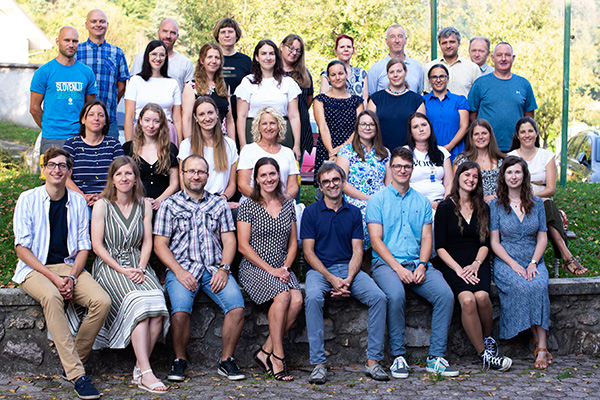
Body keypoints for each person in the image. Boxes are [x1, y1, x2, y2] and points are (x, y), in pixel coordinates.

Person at [13, 146, 110, 400]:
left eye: (62, 166)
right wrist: (55, 279)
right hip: (35, 269)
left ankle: (73, 359)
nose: (57, 170)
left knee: (101, 301)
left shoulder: (77, 201)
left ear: (69, 171)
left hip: (69, 267)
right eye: (52, 165)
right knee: (52, 296)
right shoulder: (28, 199)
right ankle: (78, 375)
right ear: (44, 169)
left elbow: (84, 247)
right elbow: (21, 248)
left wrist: (72, 277)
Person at [154, 154, 246, 381]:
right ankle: (179, 360)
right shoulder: (169, 204)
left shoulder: (219, 204)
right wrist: (179, 271)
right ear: (183, 174)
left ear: (207, 175)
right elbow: (160, 245)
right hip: (182, 269)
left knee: (236, 308)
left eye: (201, 172)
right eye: (191, 171)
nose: (196, 176)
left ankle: (226, 361)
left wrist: (224, 269)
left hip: (214, 268)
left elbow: (230, 241)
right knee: (180, 311)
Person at [366, 147, 456, 378]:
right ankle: (398, 356)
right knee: (396, 295)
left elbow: (427, 238)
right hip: (387, 265)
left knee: (445, 295)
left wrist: (423, 265)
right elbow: (375, 240)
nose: (402, 170)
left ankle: (436, 358)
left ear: (412, 169)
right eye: (397, 166)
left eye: (407, 166)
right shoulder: (377, 200)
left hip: (417, 263)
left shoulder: (422, 201)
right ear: (390, 168)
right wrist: (397, 268)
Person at [301, 163, 389, 384]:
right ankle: (318, 365)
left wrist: (348, 279)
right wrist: (331, 279)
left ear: (342, 182)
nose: (332, 185)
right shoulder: (311, 212)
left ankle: (373, 362)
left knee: (378, 298)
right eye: (326, 181)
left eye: (335, 180)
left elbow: (357, 251)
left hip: (349, 269)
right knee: (313, 298)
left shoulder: (353, 212)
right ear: (320, 186)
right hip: (320, 271)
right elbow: (308, 253)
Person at [90, 157, 170, 394]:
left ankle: (139, 368)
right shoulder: (102, 205)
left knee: (157, 305)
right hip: (110, 265)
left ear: (136, 179)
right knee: (139, 303)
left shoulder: (144, 205)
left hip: (138, 263)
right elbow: (97, 246)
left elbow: (147, 242)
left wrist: (141, 267)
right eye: (119, 174)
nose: (124, 178)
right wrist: (122, 269)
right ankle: (147, 372)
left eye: (128, 174)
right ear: (112, 179)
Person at [433, 161, 512, 371]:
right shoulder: (445, 207)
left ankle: (488, 338)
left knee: (482, 297)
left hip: (477, 261)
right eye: (467, 175)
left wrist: (476, 265)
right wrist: (459, 269)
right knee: (468, 300)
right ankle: (484, 355)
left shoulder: (483, 208)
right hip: (452, 263)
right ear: (458, 177)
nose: (471, 179)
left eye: (475, 176)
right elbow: (440, 247)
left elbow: (485, 243)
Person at [237, 157, 303, 381]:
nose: (268, 179)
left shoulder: (287, 204)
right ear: (256, 179)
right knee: (283, 296)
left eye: (272, 174)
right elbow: (243, 246)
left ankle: (264, 351)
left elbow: (293, 244)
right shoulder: (248, 205)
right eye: (263, 175)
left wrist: (285, 267)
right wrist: (271, 270)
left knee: (297, 300)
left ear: (279, 175)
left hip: (281, 266)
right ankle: (278, 356)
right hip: (255, 266)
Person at [489, 156, 552, 370]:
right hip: (507, 261)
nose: (513, 176)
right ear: (503, 176)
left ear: (524, 175)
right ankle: (538, 342)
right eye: (509, 172)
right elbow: (494, 242)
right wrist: (513, 265)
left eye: (517, 172)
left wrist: (533, 263)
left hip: (533, 258)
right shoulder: (496, 205)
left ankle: (541, 346)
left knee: (538, 286)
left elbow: (542, 238)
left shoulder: (537, 203)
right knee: (523, 286)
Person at [508, 117, 588, 276]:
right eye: (523, 132)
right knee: (546, 206)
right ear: (517, 135)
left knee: (546, 205)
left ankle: (566, 256)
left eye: (530, 131)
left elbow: (550, 190)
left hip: (541, 198)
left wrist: (532, 196)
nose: (527, 135)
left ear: (536, 133)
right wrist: (528, 192)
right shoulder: (511, 156)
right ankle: (567, 257)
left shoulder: (546, 156)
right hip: (517, 199)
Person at [30, 26, 97, 153]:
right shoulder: (44, 72)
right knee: (52, 167)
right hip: (52, 138)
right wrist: (49, 128)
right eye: (67, 40)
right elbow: (34, 108)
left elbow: (90, 108)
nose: (71, 45)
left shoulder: (87, 73)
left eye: (75, 41)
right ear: (57, 41)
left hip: (80, 137)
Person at [235, 39, 302, 160]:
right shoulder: (247, 82)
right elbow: (241, 116)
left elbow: (294, 116)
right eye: (263, 53)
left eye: (271, 53)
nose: (268, 57)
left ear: (276, 57)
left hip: (282, 135)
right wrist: (243, 145)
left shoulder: (288, 83)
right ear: (257, 57)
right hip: (253, 134)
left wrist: (296, 145)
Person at [468, 42, 537, 152]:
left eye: (507, 55)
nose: (503, 59)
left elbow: (529, 117)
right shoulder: (480, 84)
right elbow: (472, 115)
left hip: (516, 149)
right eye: (499, 55)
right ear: (492, 58)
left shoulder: (524, 84)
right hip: (487, 149)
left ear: (513, 58)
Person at [336, 110, 390, 250]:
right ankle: (361, 256)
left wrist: (382, 200)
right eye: (363, 124)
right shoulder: (346, 151)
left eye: (371, 124)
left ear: (376, 128)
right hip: (355, 199)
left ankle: (381, 258)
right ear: (357, 127)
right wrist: (367, 198)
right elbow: (342, 182)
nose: (367, 127)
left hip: (381, 200)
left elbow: (390, 184)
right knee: (363, 215)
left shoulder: (385, 152)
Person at [77, 9, 129, 139]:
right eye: (93, 21)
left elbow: (121, 87)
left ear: (107, 25)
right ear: (86, 25)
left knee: (110, 152)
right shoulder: (77, 52)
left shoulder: (117, 53)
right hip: (80, 121)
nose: (98, 24)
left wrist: (106, 108)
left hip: (109, 121)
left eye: (102, 21)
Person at [179, 96, 239, 207]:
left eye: (210, 113)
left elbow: (232, 185)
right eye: (201, 114)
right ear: (195, 117)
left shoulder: (229, 145)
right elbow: (183, 182)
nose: (207, 118)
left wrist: (221, 200)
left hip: (220, 201)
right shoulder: (187, 145)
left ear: (217, 113)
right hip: (194, 203)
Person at [64, 100, 124, 208]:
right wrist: (83, 197)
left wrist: (102, 196)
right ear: (83, 120)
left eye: (100, 115)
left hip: (108, 200)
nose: (96, 118)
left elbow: (121, 175)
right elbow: (64, 176)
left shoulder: (114, 144)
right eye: (91, 115)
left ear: (105, 121)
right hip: (77, 200)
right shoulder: (72, 144)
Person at [314, 61, 364, 189]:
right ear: (328, 78)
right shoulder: (320, 100)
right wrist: (331, 152)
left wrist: (339, 150)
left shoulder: (356, 101)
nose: (337, 77)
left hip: (351, 148)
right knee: (326, 187)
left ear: (346, 75)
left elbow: (359, 129)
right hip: (326, 147)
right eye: (333, 75)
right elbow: (323, 127)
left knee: (349, 186)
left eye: (340, 73)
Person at [122, 103, 179, 213]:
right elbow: (124, 181)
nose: (151, 126)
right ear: (140, 121)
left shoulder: (170, 149)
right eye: (147, 120)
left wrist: (158, 201)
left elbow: (174, 183)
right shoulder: (128, 148)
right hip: (135, 204)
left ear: (161, 123)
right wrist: (140, 200)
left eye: (156, 121)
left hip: (164, 205)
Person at [124, 40, 182, 145]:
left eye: (162, 55)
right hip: (141, 132)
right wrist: (128, 145)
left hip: (166, 133)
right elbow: (129, 116)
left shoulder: (173, 83)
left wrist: (180, 147)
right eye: (154, 54)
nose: (158, 58)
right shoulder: (136, 81)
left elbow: (177, 119)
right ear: (147, 56)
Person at [237, 106, 299, 200]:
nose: (268, 128)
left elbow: (293, 186)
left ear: (279, 126)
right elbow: (242, 185)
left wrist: (283, 201)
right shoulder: (248, 150)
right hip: (255, 201)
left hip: (282, 203)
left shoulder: (288, 152)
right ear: (258, 127)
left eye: (272, 123)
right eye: (264, 123)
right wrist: (265, 201)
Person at [367, 58, 425, 151]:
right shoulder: (376, 99)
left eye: (399, 71)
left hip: (408, 153)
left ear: (405, 72)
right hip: (380, 152)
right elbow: (368, 127)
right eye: (391, 72)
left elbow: (421, 132)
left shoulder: (417, 100)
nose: (395, 75)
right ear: (387, 75)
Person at [182, 43, 235, 140]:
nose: (213, 61)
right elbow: (187, 119)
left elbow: (229, 120)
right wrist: (189, 144)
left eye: (217, 58)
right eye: (209, 57)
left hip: (222, 141)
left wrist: (233, 145)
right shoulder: (191, 87)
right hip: (200, 141)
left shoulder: (224, 86)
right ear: (202, 60)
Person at [130, 18, 194, 94]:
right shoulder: (141, 58)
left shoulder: (185, 63)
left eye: (172, 33)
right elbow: (132, 89)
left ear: (177, 36)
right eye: (165, 31)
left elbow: (189, 93)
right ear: (158, 33)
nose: (168, 36)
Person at [405, 112, 453, 210]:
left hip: (440, 204)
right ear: (411, 132)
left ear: (430, 127)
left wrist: (444, 204)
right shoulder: (405, 152)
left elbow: (449, 184)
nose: (421, 129)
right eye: (415, 127)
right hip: (413, 205)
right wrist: (429, 204)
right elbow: (400, 185)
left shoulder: (442, 152)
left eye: (424, 125)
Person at [423, 64, 470, 161]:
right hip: (429, 152)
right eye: (434, 77)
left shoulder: (460, 100)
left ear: (447, 79)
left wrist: (449, 147)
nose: (438, 80)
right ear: (429, 80)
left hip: (456, 152)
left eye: (442, 76)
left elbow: (464, 126)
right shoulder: (422, 101)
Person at [280, 34, 314, 160]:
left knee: (295, 168)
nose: (294, 53)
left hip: (301, 129)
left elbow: (308, 100)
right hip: (278, 128)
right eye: (291, 48)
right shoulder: (271, 72)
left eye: (298, 51)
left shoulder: (304, 74)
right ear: (281, 47)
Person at [454, 119, 505, 203]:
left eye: (484, 133)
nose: (480, 137)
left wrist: (494, 196)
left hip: (498, 204)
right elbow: (455, 188)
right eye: (476, 134)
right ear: (471, 137)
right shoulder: (461, 161)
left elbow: (509, 188)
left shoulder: (503, 161)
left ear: (490, 135)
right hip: (470, 205)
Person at [212, 18, 252, 126]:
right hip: (215, 114)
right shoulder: (211, 60)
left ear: (236, 35)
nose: (227, 35)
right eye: (223, 32)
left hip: (240, 114)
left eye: (230, 32)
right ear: (217, 36)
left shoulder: (246, 61)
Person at [423, 27, 481, 97]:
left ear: (458, 43)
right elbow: (426, 94)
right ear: (439, 45)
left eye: (452, 42)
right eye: (444, 43)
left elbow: (478, 95)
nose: (448, 46)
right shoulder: (429, 67)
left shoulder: (472, 68)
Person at [367, 24, 423, 96]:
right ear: (386, 41)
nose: (397, 40)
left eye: (400, 36)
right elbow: (371, 97)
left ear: (405, 40)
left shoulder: (417, 66)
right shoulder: (375, 69)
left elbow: (419, 94)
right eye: (392, 37)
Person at [319, 34, 368, 104]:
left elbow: (365, 100)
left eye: (349, 47)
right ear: (336, 50)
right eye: (342, 47)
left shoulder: (361, 73)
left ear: (353, 50)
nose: (346, 49)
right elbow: (323, 101)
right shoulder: (326, 74)